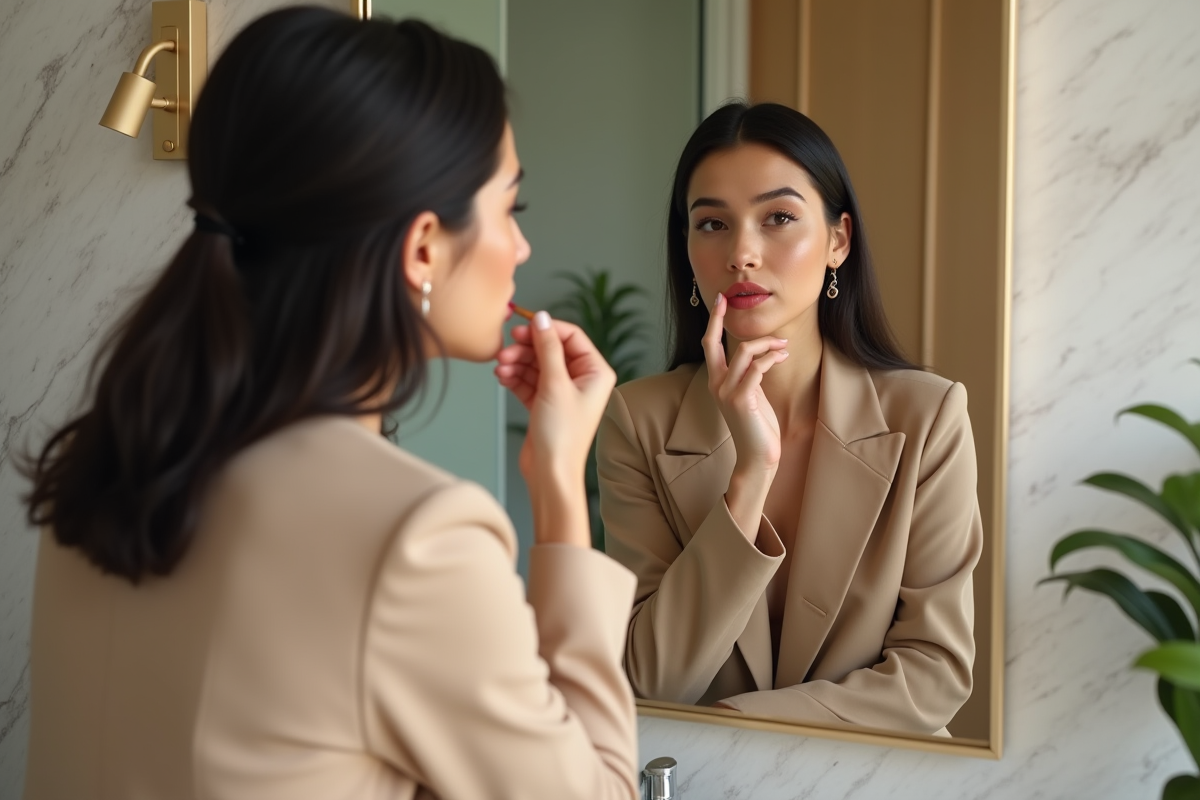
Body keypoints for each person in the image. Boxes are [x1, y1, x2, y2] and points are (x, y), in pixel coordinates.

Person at [21, 9, 637, 798]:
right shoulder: (416, 538)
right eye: (509, 210)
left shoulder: (107, 463)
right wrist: (560, 490)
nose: (521, 248)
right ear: (423, 247)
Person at [597, 102, 982, 735]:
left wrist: (743, 727)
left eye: (778, 217)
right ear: (687, 250)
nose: (741, 253)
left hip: (877, 776)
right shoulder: (638, 421)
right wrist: (751, 476)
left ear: (838, 241)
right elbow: (651, 680)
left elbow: (935, 672)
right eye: (712, 223)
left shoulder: (927, 417)